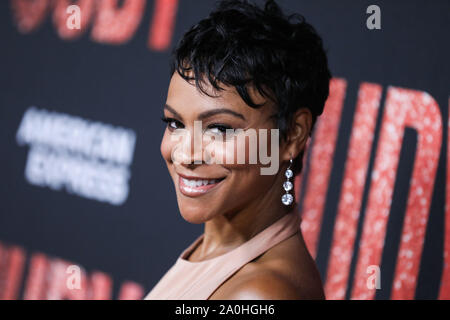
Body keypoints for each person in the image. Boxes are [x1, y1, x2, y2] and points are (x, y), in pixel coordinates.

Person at [144, 0, 331, 300]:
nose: (185, 155)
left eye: (219, 129)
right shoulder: (214, 252)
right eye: (175, 123)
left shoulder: (259, 295)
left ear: (293, 134)